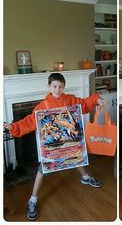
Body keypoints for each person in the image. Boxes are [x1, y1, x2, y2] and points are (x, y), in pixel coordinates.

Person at [3, 72, 107, 220]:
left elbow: (84, 104)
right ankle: (33, 199)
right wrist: (13, 127)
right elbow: (29, 121)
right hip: (52, 146)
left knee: (75, 157)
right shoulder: (43, 105)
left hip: (69, 142)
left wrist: (96, 98)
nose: (57, 89)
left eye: (61, 86)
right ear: (49, 86)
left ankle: (85, 177)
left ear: (64, 87)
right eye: (54, 86)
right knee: (42, 169)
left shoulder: (70, 99)